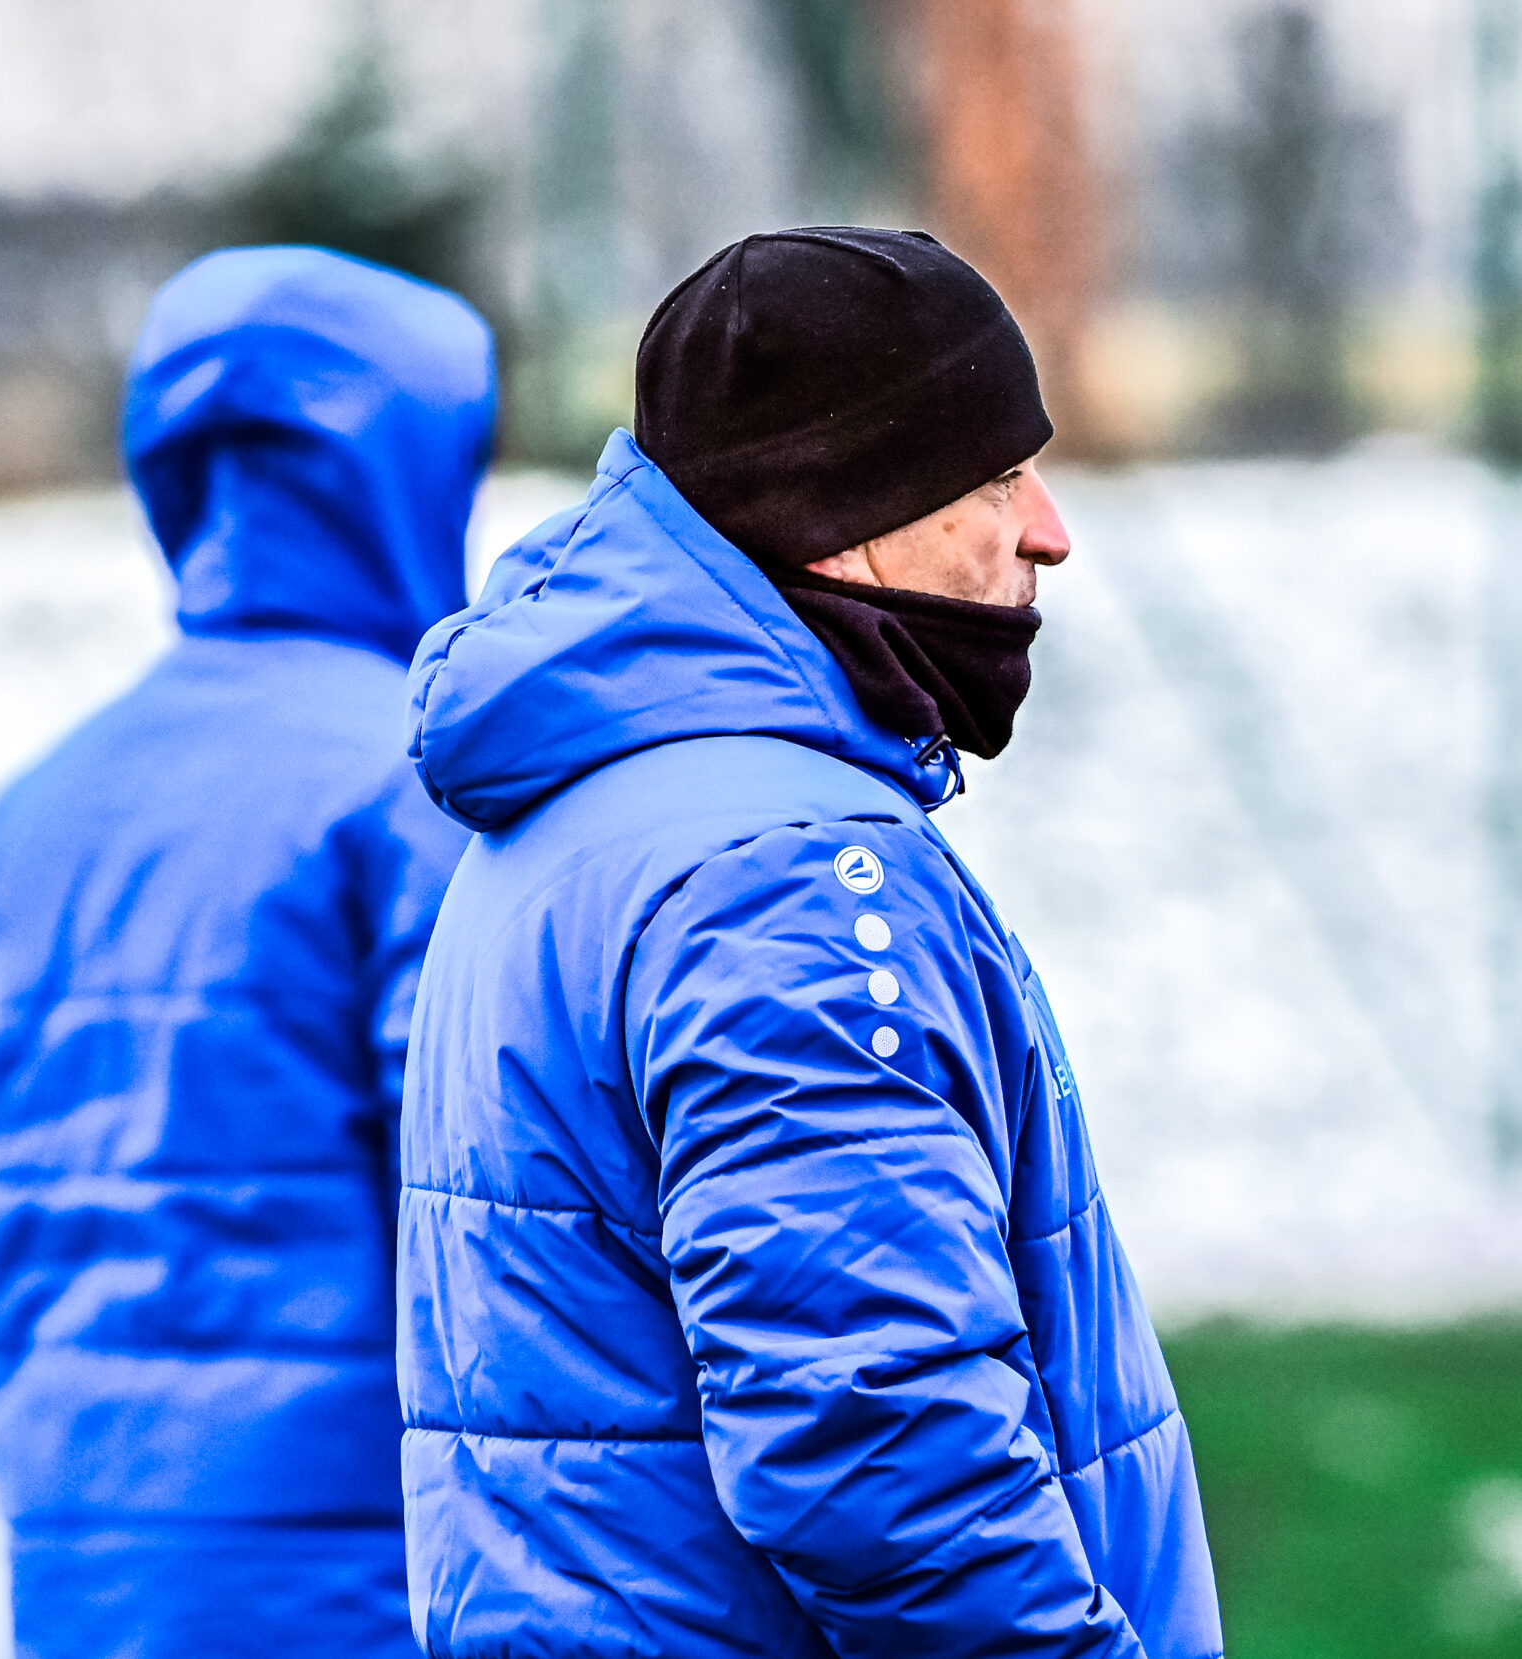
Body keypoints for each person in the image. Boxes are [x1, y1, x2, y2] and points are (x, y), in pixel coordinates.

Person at [398, 228, 1222, 1658]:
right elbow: (879, 1445)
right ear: (844, 513)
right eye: (994, 478)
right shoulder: (782, 880)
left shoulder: (592, 810)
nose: (1048, 531)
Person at [0, 246, 493, 1659]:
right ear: (410, 475)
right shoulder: (415, 786)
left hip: (83, 1563)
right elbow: (483, 1227)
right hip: (366, 1577)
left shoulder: (40, 810)